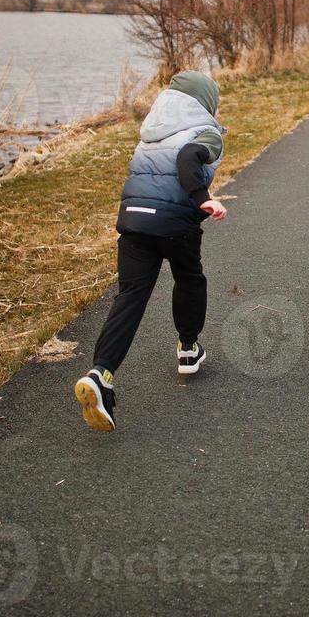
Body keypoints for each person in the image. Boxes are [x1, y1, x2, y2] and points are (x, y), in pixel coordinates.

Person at [75, 70, 229, 431]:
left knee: (130, 295)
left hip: (133, 221)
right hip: (175, 223)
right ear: (205, 104)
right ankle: (188, 348)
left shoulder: (150, 131)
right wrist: (202, 199)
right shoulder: (205, 133)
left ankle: (101, 374)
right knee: (189, 276)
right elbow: (188, 160)